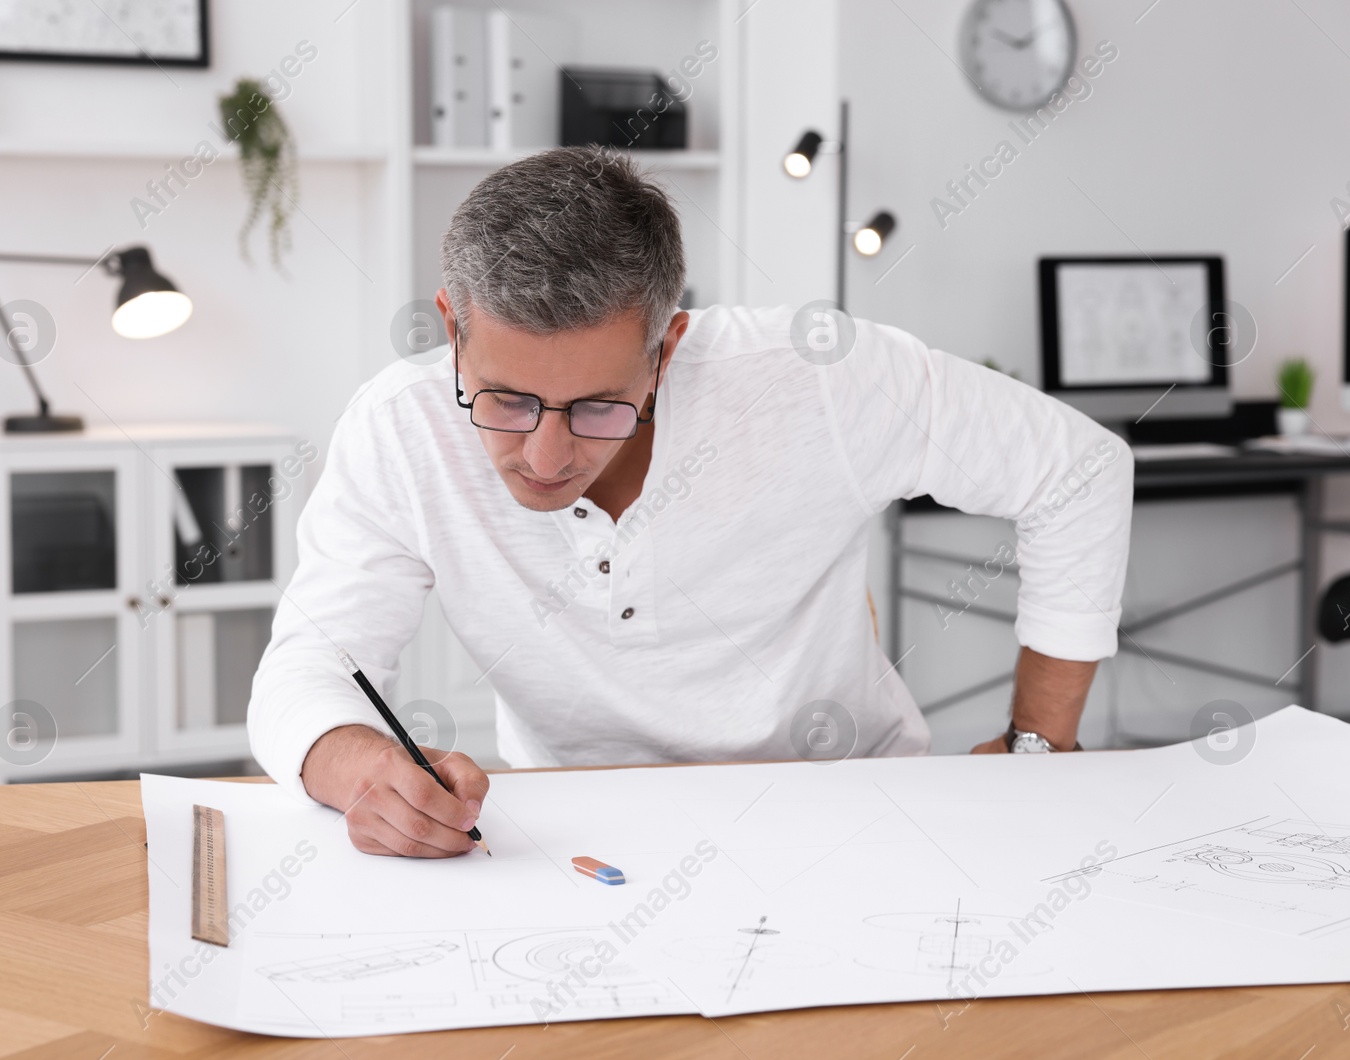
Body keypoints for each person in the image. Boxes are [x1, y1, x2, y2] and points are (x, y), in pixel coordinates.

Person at [247, 146, 1133, 859]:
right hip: (574, 838)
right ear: (452, 330)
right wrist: (358, 767)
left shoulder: (817, 377)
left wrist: (1038, 748)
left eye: (598, 405)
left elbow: (1079, 470)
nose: (546, 458)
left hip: (855, 810)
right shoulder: (397, 429)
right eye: (507, 400)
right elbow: (307, 667)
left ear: (667, 346)